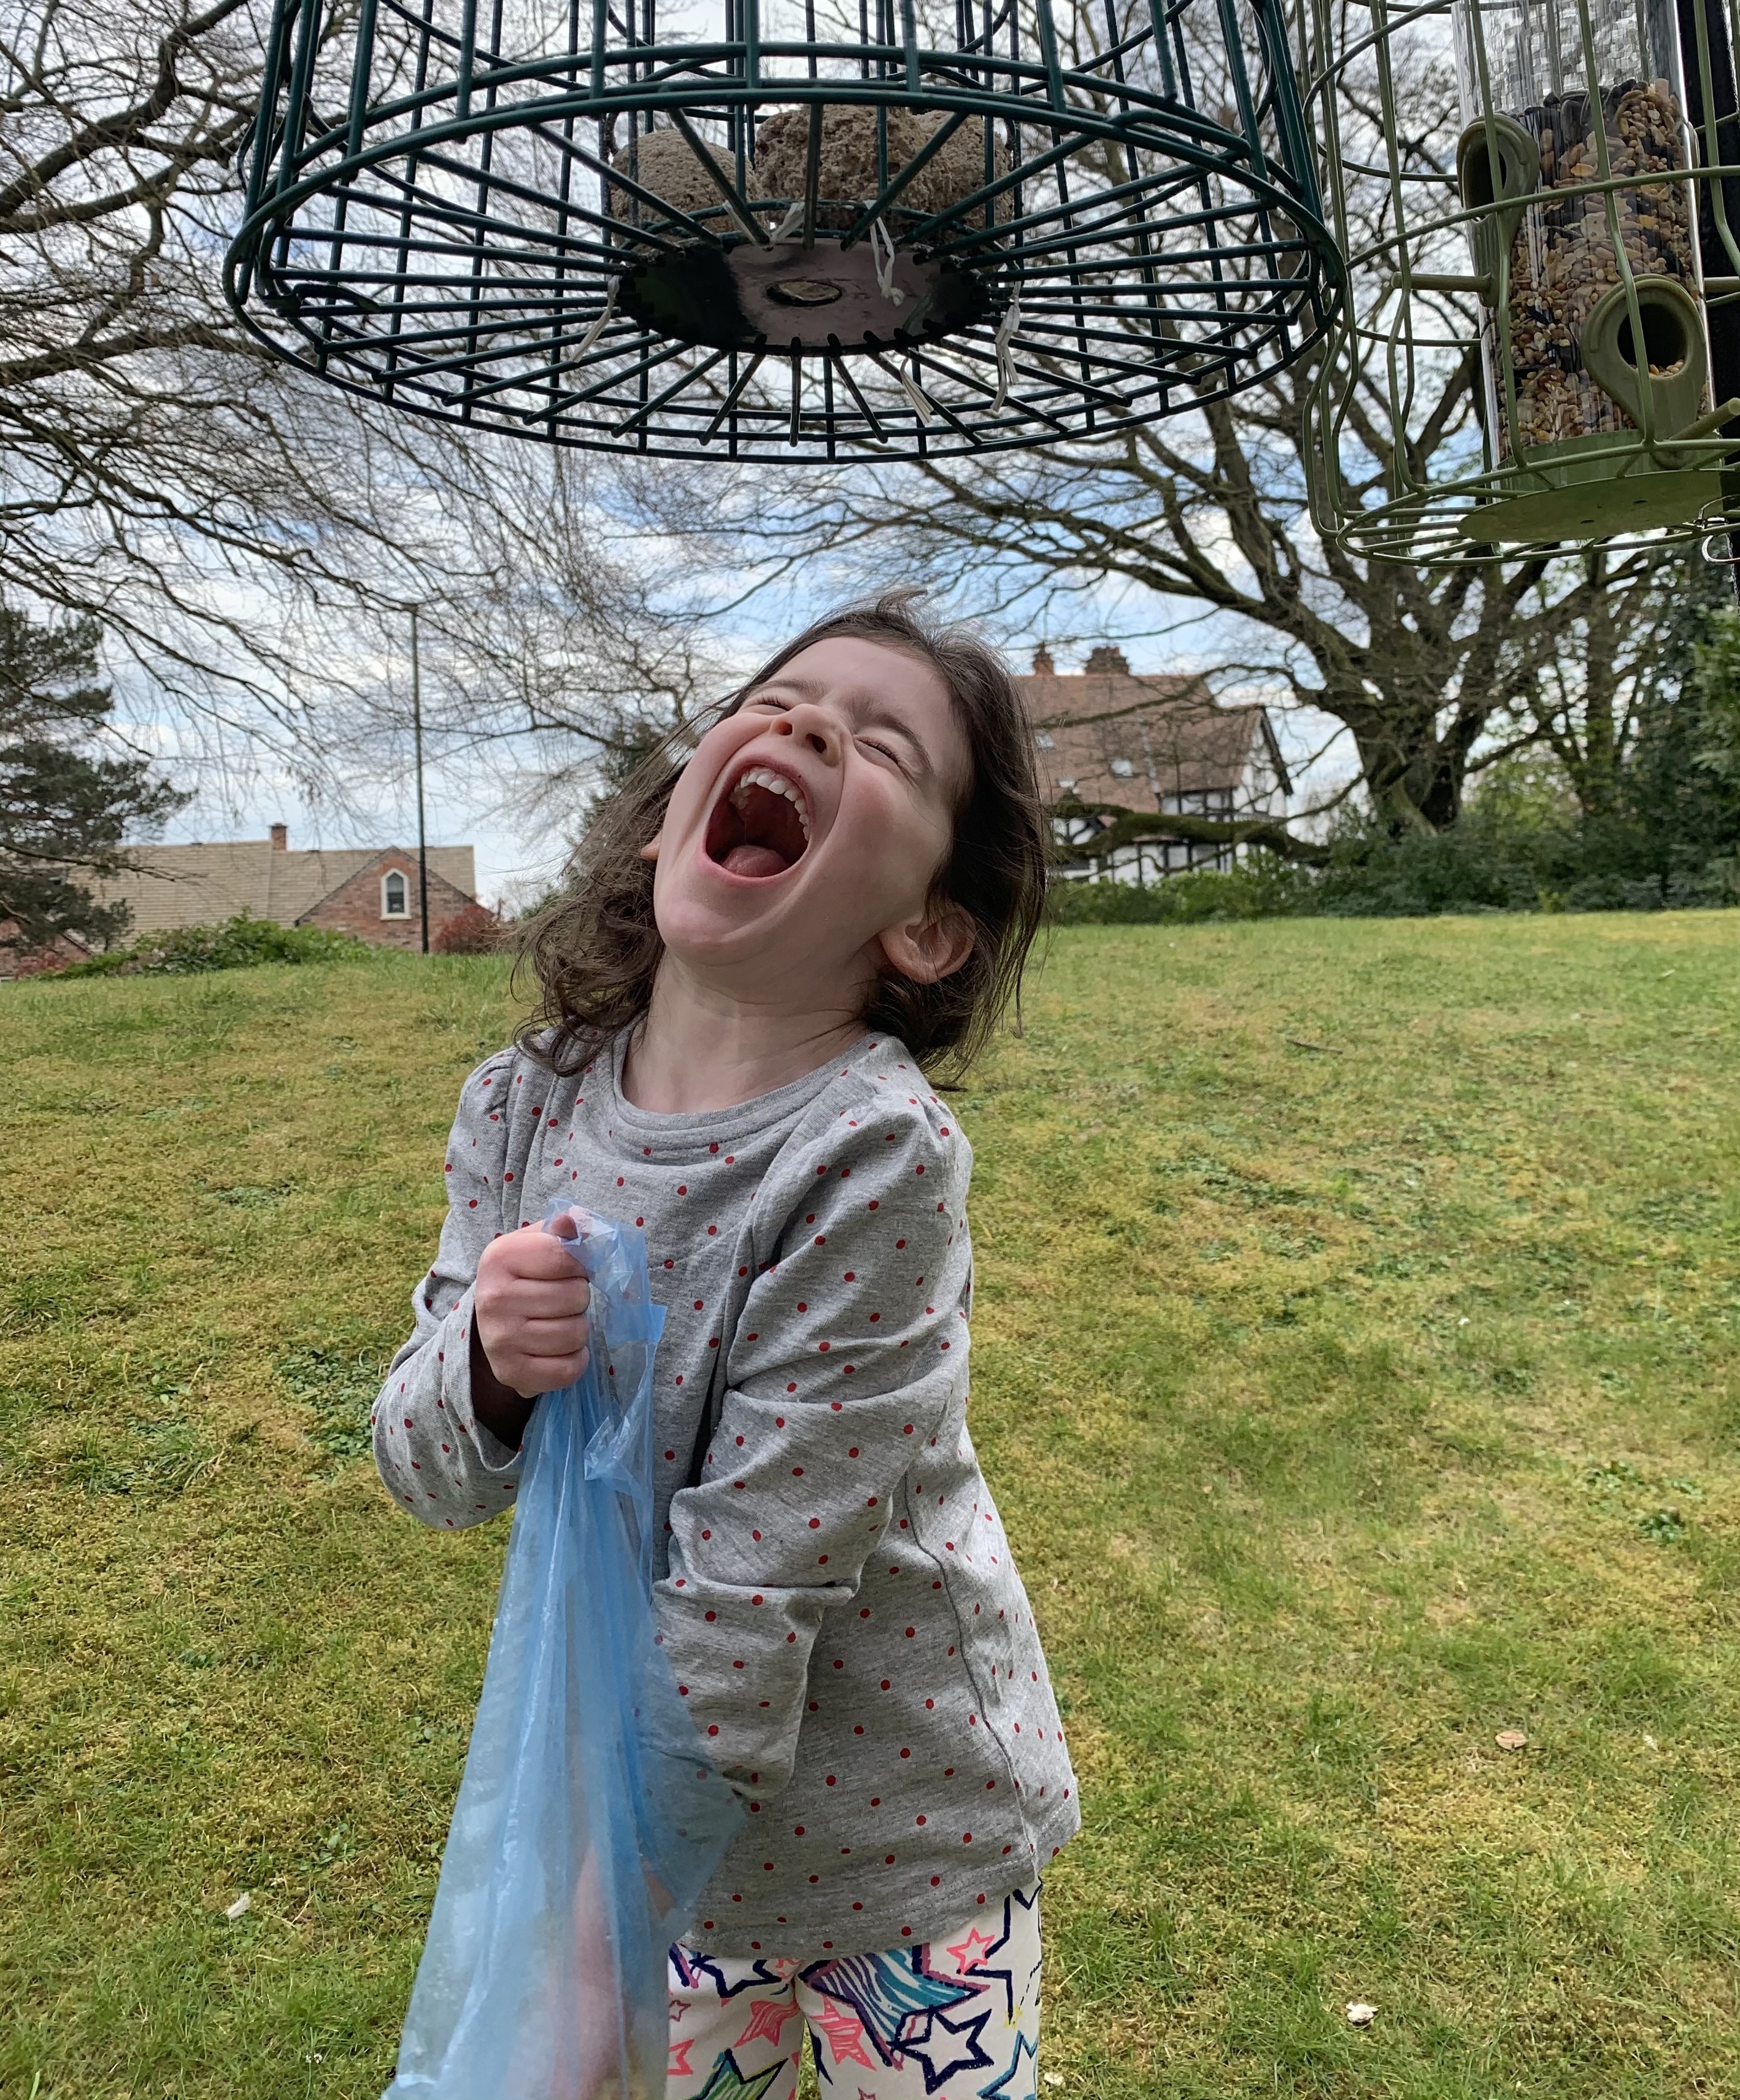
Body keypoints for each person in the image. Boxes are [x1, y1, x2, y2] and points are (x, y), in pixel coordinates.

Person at [375, 593, 1078, 2100]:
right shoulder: (519, 1105)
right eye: (775, 698)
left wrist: (585, 1973)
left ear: (925, 928)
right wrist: (485, 1359)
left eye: (884, 746)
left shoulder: (871, 1152)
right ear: (661, 825)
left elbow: (751, 1591)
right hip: (646, 1849)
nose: (806, 723)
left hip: (905, 1851)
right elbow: (423, 1467)